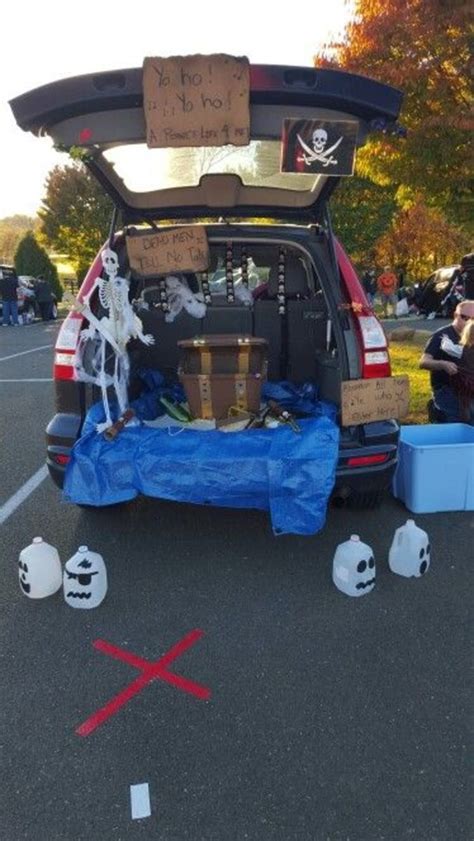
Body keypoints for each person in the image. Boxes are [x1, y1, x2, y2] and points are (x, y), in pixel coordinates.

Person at [419, 299, 474, 422]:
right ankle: (438, 412)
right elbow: (423, 362)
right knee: (455, 423)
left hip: (469, 388)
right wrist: (442, 364)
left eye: (473, 319)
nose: (469, 322)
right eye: (465, 317)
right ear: (455, 315)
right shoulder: (441, 335)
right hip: (447, 389)